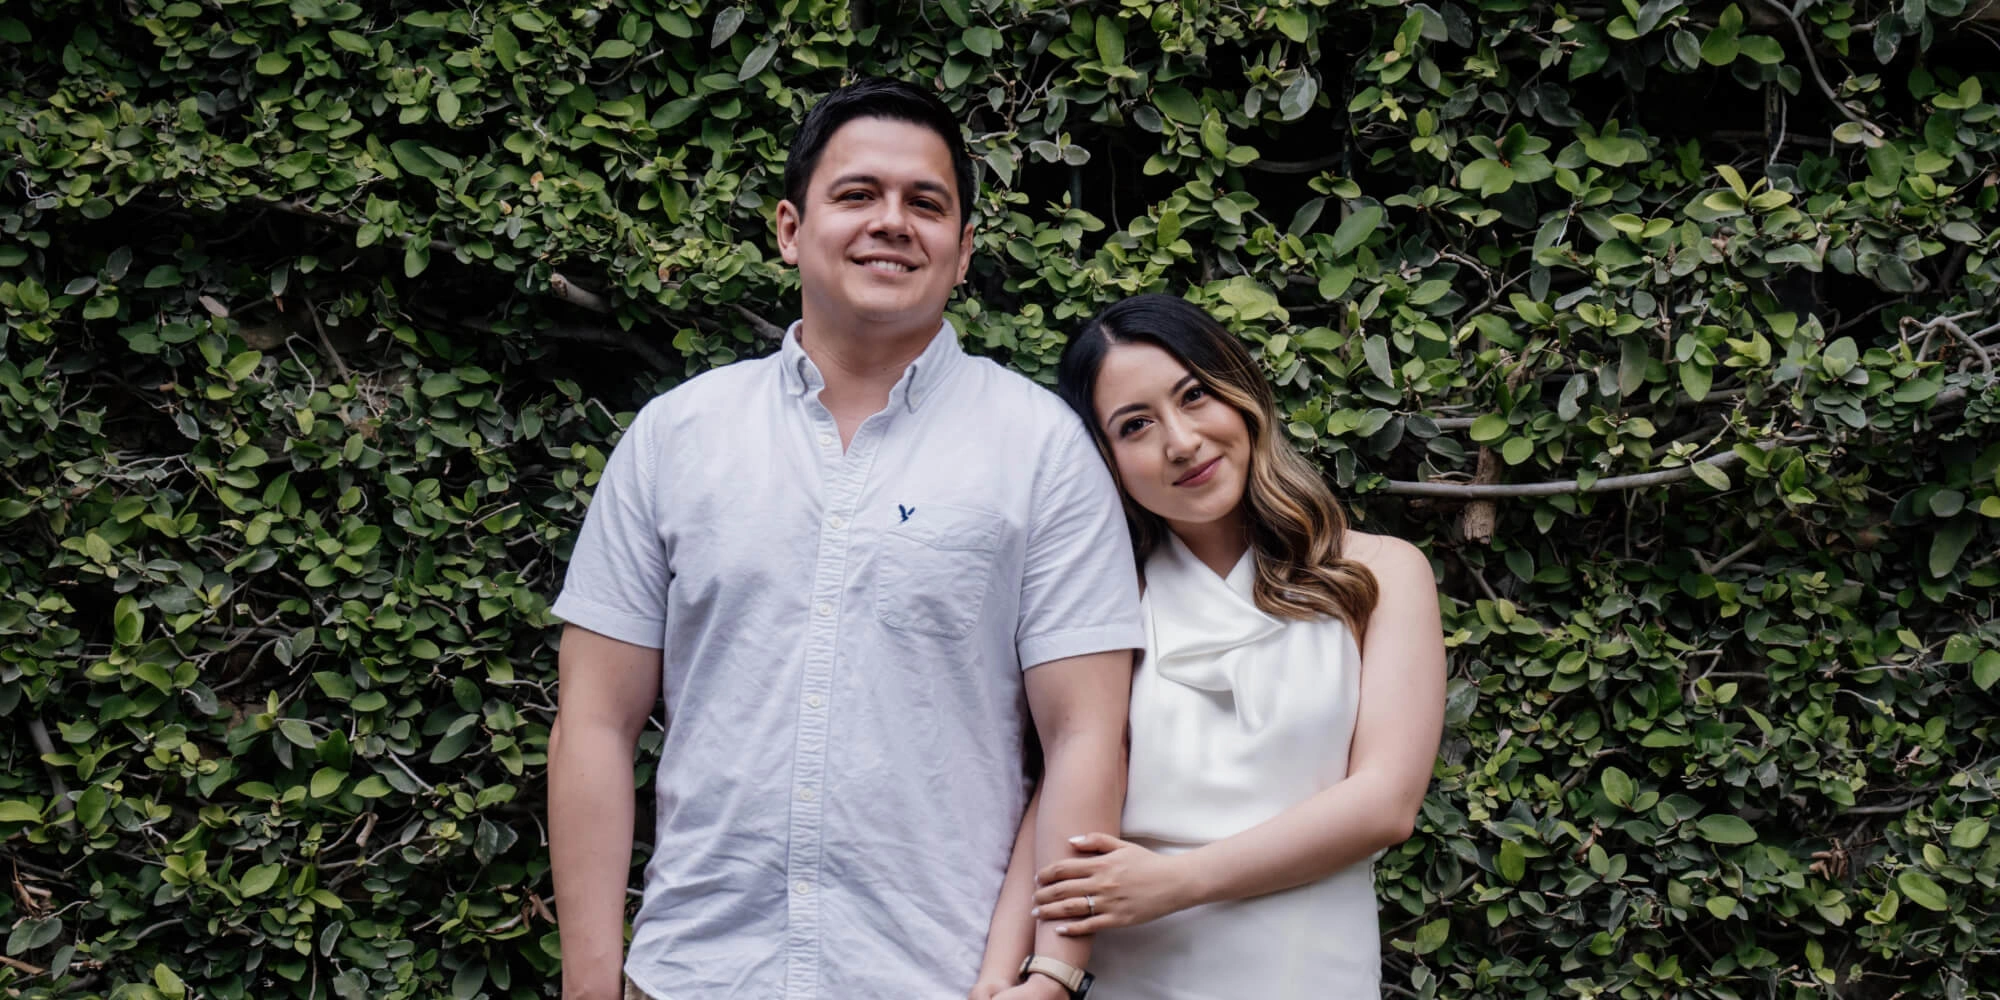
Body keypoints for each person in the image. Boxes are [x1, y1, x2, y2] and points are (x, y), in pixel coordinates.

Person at [545, 78, 1143, 1000]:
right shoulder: (677, 436)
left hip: (937, 979)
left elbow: (1086, 736)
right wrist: (590, 987)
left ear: (963, 250)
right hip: (696, 975)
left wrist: (1054, 973)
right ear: (791, 229)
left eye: (926, 204)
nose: (891, 222)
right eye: (858, 194)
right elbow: (593, 721)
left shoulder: (1042, 450)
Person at [971, 294, 1447, 1000]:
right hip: (1134, 978)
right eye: (1136, 425)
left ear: (1239, 390)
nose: (1182, 442)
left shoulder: (1380, 573)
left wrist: (1176, 882)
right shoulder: (1107, 600)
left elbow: (1385, 803)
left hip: (1309, 971)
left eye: (1194, 395)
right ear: (1106, 460)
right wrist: (1002, 973)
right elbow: (1062, 799)